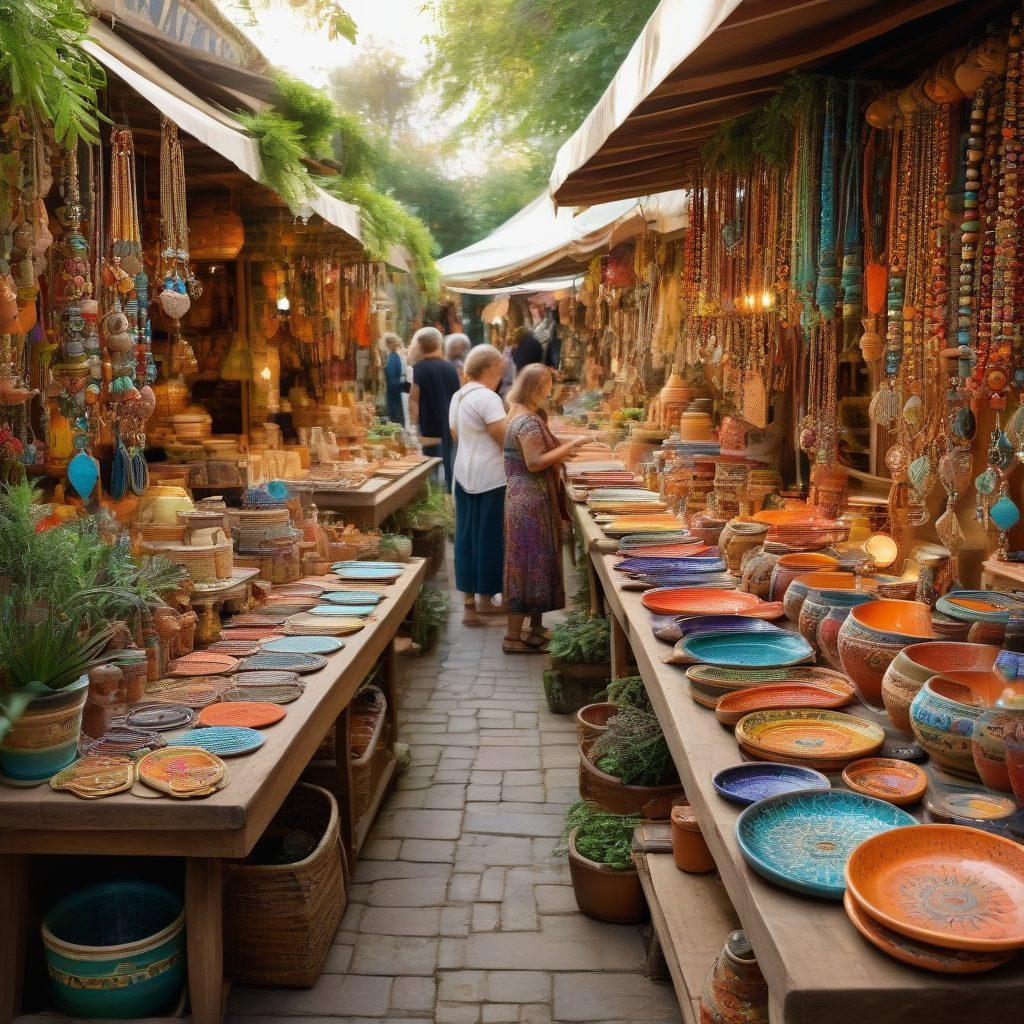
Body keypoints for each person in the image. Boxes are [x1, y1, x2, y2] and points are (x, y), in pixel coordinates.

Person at [502, 364, 589, 653]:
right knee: (526, 566)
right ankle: (513, 638)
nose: (550, 392)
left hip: (528, 498)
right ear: (538, 388)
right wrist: (571, 445)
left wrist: (563, 447)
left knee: (536, 562)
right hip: (529, 501)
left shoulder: (521, 414)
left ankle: (535, 629)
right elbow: (535, 462)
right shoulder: (526, 421)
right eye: (548, 386)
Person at [449, 344, 507, 626]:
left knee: (465, 538)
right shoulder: (488, 397)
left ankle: (470, 604)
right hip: (491, 477)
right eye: (500, 371)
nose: (501, 377)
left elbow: (455, 434)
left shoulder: (458, 396)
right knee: (489, 538)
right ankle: (485, 599)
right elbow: (505, 439)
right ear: (491, 369)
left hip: (464, 475)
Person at [408, 326, 461, 491]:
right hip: (450, 427)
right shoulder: (451, 369)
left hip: (428, 428)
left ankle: (433, 495)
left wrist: (413, 426)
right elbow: (458, 398)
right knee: (449, 464)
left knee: (430, 469)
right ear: (439, 344)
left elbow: (414, 401)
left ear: (419, 346)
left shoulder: (418, 369)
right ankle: (449, 493)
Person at [382, 332, 408, 426]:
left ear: (388, 344)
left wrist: (407, 385)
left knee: (395, 421)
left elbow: (392, 381)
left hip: (394, 395)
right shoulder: (395, 356)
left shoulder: (392, 357)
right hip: (396, 394)